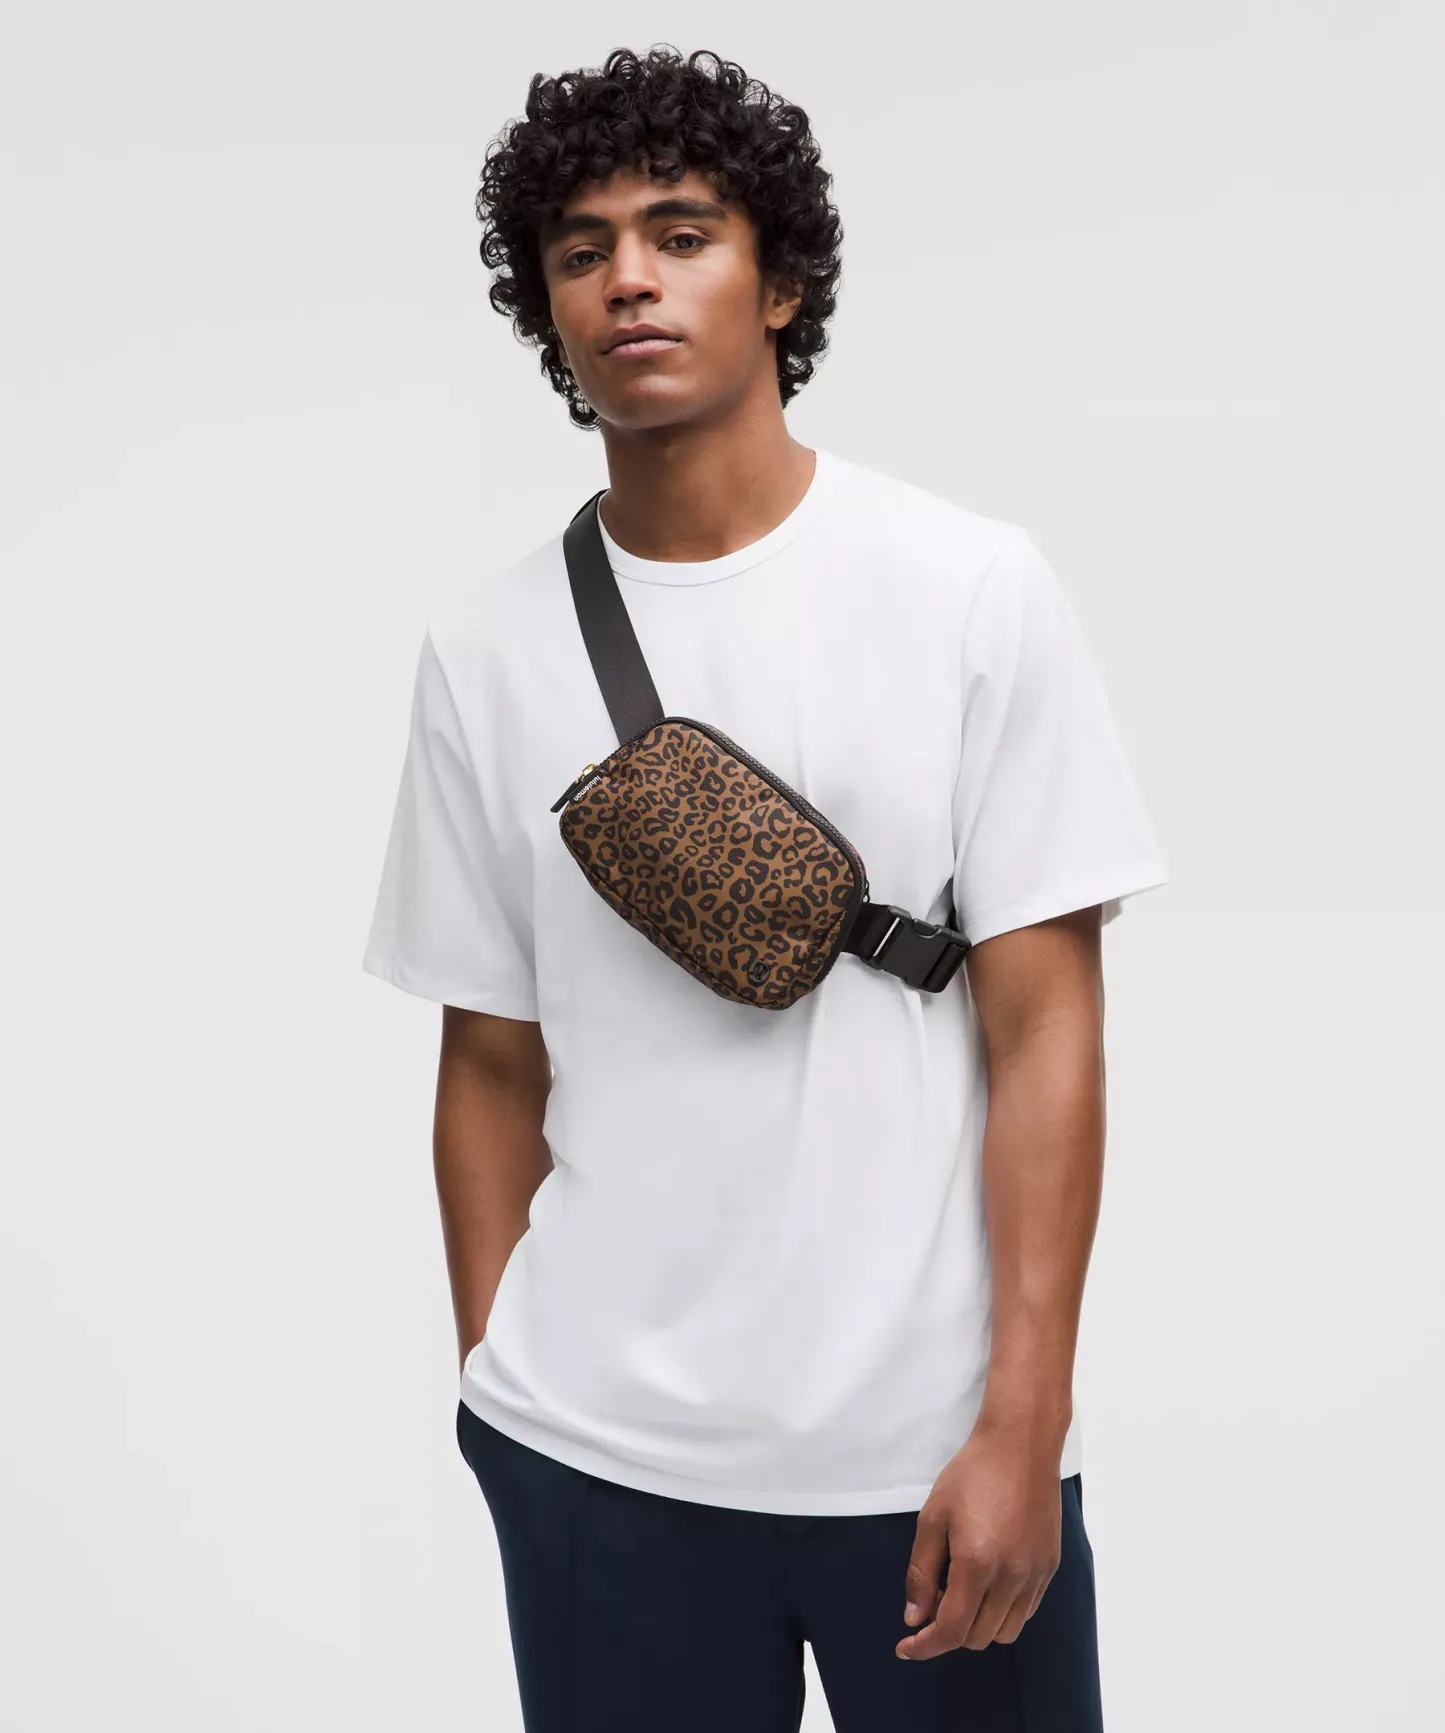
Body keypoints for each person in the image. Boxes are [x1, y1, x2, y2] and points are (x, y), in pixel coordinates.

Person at [362, 44, 1168, 1733]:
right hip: (598, 1466)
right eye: (581, 250)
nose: (628, 280)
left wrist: (1025, 1423)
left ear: (781, 279)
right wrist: (503, 1398)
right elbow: (489, 1063)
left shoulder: (967, 590)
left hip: (932, 1459)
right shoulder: (486, 652)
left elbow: (1046, 1033)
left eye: (681, 234)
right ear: (546, 305)